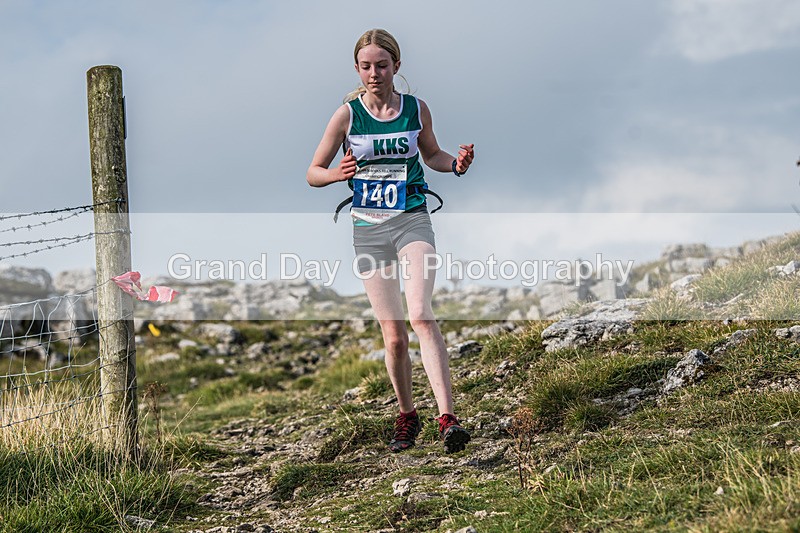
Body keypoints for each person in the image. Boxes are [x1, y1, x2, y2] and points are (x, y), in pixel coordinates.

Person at [307, 29, 475, 453]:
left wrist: (454, 164)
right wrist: (336, 175)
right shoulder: (346, 115)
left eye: (382, 65)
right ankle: (407, 415)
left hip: (411, 219)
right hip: (368, 229)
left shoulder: (416, 109)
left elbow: (432, 154)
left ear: (396, 67)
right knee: (395, 336)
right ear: (357, 69)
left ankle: (448, 419)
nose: (374, 73)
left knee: (420, 313)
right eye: (366, 66)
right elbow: (313, 171)